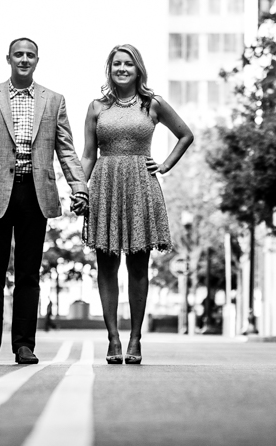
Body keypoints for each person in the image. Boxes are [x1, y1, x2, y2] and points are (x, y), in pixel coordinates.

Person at [0, 37, 89, 365]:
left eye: (29, 55)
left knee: (29, 273)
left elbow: (66, 148)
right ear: (8, 58)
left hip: (36, 193)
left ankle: (24, 345)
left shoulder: (54, 100)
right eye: (18, 54)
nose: (23, 59)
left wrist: (79, 187)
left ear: (37, 60)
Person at [82, 43, 194, 365]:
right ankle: (113, 338)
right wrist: (79, 187)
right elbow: (89, 154)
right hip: (104, 184)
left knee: (137, 265)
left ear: (138, 69)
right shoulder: (96, 107)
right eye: (116, 64)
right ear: (110, 68)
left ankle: (135, 338)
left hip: (141, 185)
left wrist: (165, 165)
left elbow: (184, 134)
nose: (122, 69)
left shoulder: (152, 103)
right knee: (106, 266)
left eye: (128, 64)